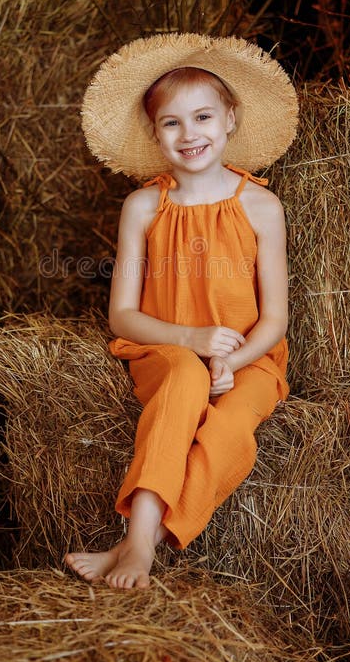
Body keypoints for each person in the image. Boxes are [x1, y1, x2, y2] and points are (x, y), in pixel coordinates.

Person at [66, 33, 298, 589]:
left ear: (230, 118)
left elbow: (276, 318)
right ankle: (140, 548)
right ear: (155, 133)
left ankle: (133, 541)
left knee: (231, 429)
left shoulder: (262, 207)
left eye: (202, 117)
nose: (189, 134)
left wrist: (237, 361)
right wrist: (191, 340)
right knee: (183, 384)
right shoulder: (144, 206)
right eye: (171, 123)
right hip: (164, 349)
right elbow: (122, 315)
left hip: (252, 360)